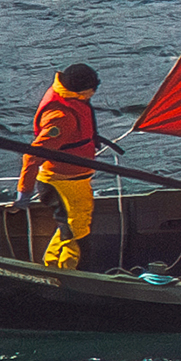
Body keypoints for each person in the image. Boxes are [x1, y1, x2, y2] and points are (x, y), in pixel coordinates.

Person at [12, 62, 110, 270]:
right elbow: (32, 155)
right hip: (63, 184)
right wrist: (24, 191)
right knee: (77, 235)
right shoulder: (61, 118)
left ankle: (52, 267)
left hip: (75, 181)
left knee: (68, 229)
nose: (94, 92)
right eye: (92, 89)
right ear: (81, 91)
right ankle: (70, 277)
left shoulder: (67, 95)